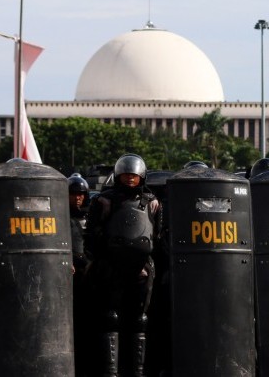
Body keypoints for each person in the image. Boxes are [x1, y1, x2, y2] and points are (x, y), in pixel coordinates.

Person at [85, 154, 163, 377]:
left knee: (140, 319)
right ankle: (111, 372)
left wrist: (146, 262)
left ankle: (137, 371)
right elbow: (91, 233)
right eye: (126, 175)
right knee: (110, 317)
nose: (130, 179)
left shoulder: (152, 202)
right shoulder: (104, 200)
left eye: (134, 176)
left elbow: (156, 235)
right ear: (119, 176)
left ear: (142, 177)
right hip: (110, 266)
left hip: (142, 268)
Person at [68, 173, 91, 376]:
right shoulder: (62, 217)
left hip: (89, 273)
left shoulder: (90, 217)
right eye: (74, 194)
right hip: (71, 274)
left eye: (81, 194)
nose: (78, 198)